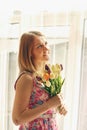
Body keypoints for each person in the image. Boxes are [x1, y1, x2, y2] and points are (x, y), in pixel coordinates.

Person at [12, 31, 67, 130]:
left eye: (46, 43)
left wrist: (58, 106)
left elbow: (45, 104)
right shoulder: (26, 79)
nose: (46, 48)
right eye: (39, 46)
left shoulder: (47, 75)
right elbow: (17, 119)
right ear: (29, 53)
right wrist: (49, 105)